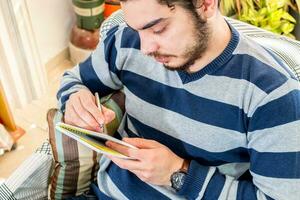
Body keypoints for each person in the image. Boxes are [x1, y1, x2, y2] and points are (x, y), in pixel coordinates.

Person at [57, 0, 300, 199]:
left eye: (158, 28)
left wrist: (177, 172)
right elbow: (73, 79)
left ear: (205, 5)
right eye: (136, 30)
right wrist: (76, 99)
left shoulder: (273, 95)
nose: (145, 48)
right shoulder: (125, 42)